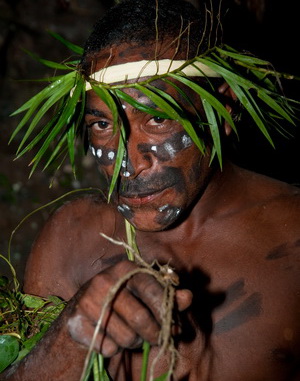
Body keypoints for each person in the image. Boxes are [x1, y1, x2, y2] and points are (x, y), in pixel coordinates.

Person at [2, 0, 300, 380]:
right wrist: (69, 336)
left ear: (223, 107)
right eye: (103, 125)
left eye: (158, 118)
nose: (131, 161)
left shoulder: (292, 239)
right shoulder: (71, 238)